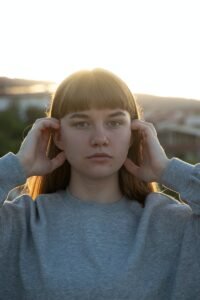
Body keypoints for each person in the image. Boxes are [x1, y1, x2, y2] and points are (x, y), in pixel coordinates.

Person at [0, 68, 199, 300]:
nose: (100, 139)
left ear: (134, 134)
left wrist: (168, 170)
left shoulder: (174, 225)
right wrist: (17, 166)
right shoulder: (19, 225)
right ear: (58, 136)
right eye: (81, 123)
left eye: (114, 123)